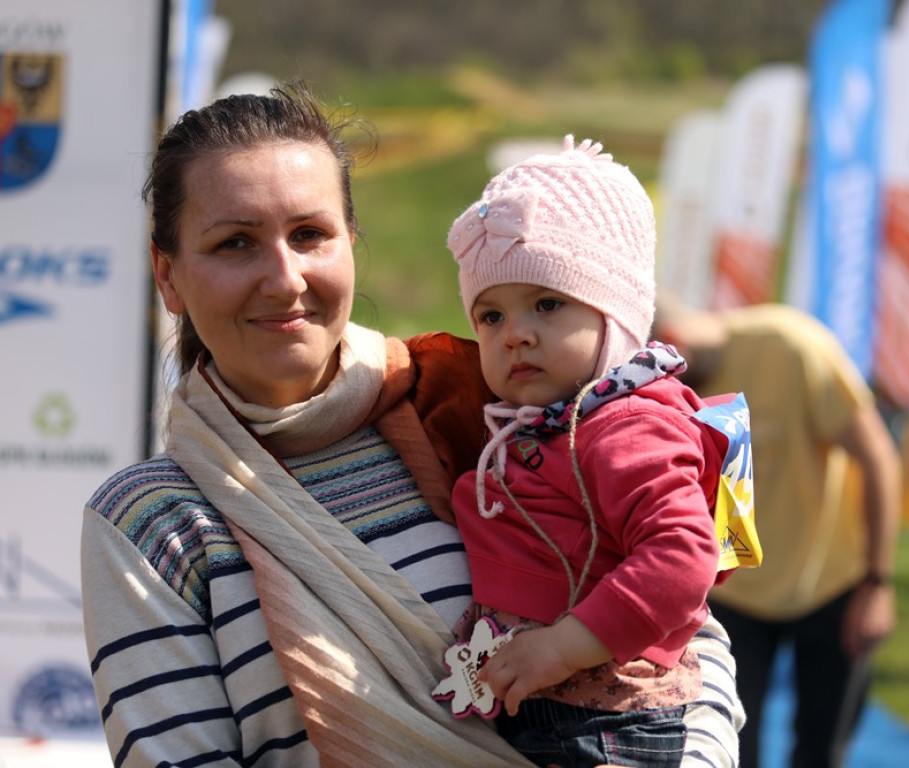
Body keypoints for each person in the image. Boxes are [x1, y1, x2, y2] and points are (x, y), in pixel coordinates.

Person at [79, 84, 746, 767]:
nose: (284, 278)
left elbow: (685, 632)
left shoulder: (475, 412)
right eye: (235, 243)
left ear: (350, 244)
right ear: (167, 275)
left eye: (309, 234)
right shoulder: (151, 522)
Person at [438, 136, 752, 767]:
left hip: (604, 726)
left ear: (616, 316)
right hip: (556, 712)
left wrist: (562, 647)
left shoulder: (625, 423)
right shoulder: (550, 422)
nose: (515, 335)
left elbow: (681, 554)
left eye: (548, 304)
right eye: (490, 316)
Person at [654, 296, 902, 768]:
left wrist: (878, 582)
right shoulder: (657, 392)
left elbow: (878, 457)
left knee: (822, 753)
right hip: (728, 595)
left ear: (675, 347)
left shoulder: (790, 346)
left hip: (832, 584)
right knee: (726, 751)